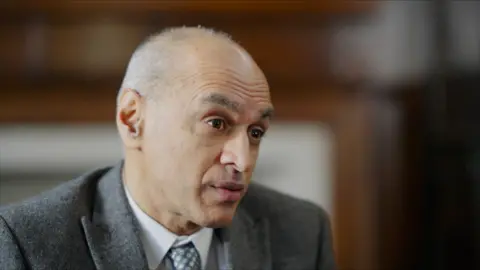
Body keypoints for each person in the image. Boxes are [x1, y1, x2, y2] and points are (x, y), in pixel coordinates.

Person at [0, 27, 336, 270]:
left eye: (256, 132)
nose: (242, 160)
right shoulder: (29, 243)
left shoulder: (302, 231)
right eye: (217, 123)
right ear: (133, 120)